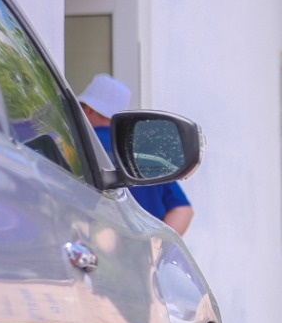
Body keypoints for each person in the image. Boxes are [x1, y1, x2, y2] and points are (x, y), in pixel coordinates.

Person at [77, 73, 195, 235]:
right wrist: (155, 245)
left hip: (95, 246)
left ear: (88, 110)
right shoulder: (145, 152)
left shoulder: (77, 145)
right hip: (139, 248)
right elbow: (183, 210)